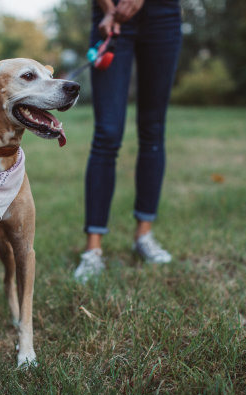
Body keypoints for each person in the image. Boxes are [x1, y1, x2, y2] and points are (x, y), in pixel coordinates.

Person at [74, 0, 182, 283]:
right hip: (108, 14)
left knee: (153, 129)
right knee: (107, 132)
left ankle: (143, 234)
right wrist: (109, 8)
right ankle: (93, 249)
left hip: (163, 14)